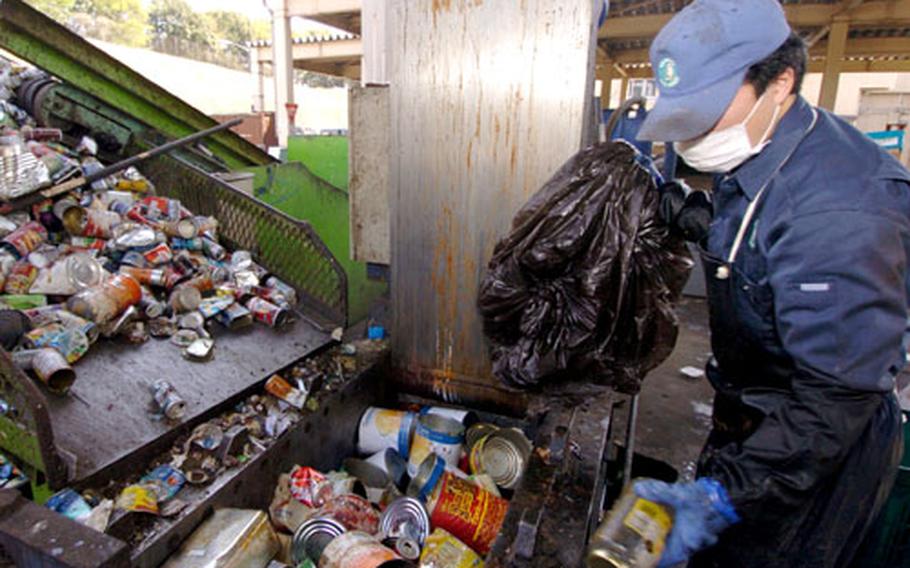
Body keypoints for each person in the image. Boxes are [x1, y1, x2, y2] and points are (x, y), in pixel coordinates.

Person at [632, 0, 910, 566]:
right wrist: (685, 213)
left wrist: (727, 494)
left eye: (707, 111)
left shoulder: (841, 210)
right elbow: (760, 246)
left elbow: (834, 401)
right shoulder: (772, 152)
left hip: (812, 460)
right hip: (755, 422)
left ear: (780, 81)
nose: (693, 134)